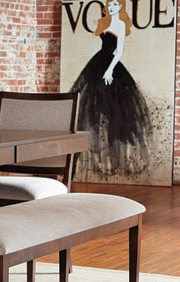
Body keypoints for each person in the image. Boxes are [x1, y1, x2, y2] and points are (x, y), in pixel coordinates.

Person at [70, 0, 152, 176]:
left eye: (115, 5)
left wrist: (110, 70)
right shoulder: (105, 23)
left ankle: (114, 160)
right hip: (98, 62)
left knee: (113, 109)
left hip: (110, 66)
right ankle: (93, 159)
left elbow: (119, 50)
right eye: (110, 5)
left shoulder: (121, 25)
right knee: (90, 104)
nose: (111, 8)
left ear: (120, 7)